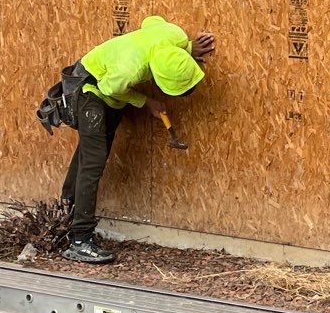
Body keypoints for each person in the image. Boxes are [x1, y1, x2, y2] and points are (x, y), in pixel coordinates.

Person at [57, 16, 215, 263]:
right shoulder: (129, 71)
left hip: (107, 85)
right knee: (93, 161)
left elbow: (150, 22)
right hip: (89, 89)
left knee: (88, 155)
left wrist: (188, 49)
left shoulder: (175, 36)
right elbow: (110, 89)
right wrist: (146, 101)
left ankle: (63, 218)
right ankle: (79, 240)